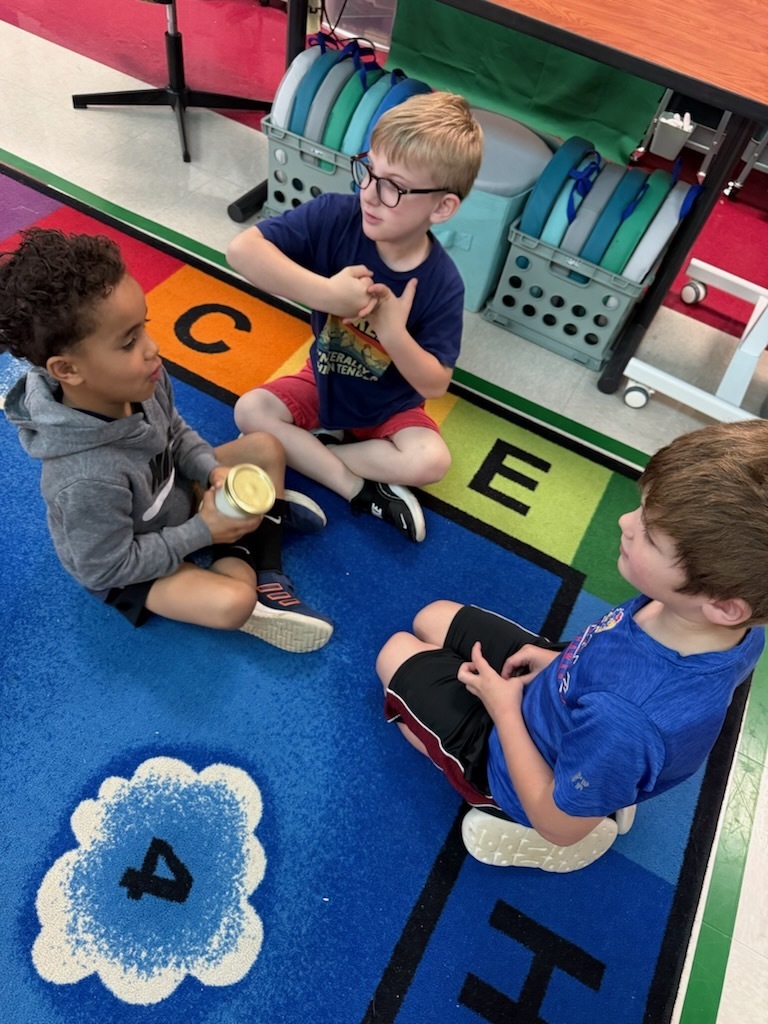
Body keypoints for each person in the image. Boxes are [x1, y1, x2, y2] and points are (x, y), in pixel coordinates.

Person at [376, 419, 768, 871]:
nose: (625, 522)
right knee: (433, 617)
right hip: (566, 695)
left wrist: (504, 709)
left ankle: (535, 812)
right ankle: (605, 786)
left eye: (651, 535)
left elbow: (560, 823)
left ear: (723, 605)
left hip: (519, 769)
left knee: (395, 656)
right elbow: (617, 665)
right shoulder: (722, 625)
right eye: (642, 511)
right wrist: (555, 661)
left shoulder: (629, 721)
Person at [2, 228, 333, 653]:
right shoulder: (82, 479)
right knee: (233, 601)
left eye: (144, 327)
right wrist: (204, 531)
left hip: (175, 495)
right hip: (132, 564)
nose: (152, 348)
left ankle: (258, 534)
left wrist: (211, 471)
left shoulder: (143, 378)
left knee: (265, 447)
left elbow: (174, 432)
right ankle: (260, 541)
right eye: (128, 342)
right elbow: (106, 567)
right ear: (67, 370)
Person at [227, 91, 483, 543]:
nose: (370, 193)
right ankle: (358, 488)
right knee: (250, 410)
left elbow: (434, 385)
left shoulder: (442, 282)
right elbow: (242, 250)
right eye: (369, 170)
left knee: (431, 460)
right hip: (321, 382)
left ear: (442, 207)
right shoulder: (335, 216)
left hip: (388, 410)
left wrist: (392, 331)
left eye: (395, 187)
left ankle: (315, 452)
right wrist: (328, 293)